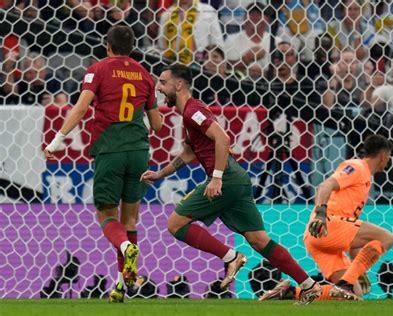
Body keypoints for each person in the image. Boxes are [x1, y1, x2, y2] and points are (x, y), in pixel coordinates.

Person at [140, 63, 322, 305]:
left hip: (225, 178)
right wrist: (160, 174)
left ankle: (230, 257)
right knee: (259, 240)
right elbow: (188, 152)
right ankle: (310, 286)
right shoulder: (190, 113)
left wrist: (216, 177)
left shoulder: (194, 110)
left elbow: (223, 138)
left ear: (179, 84)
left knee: (175, 224)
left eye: (163, 82)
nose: (159, 88)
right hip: (234, 177)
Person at [43, 25, 162, 303]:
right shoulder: (145, 74)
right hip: (139, 150)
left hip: (110, 150)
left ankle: (124, 247)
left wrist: (56, 141)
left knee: (107, 215)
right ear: (133, 47)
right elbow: (156, 124)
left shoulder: (98, 69)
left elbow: (82, 107)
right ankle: (122, 286)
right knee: (130, 219)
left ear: (107, 45)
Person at [261, 135, 393, 301]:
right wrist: (321, 214)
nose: (388, 162)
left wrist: (359, 269)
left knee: (354, 295)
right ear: (383, 156)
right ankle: (346, 283)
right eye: (388, 157)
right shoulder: (357, 167)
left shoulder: (365, 177)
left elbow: (353, 239)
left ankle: (290, 292)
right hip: (328, 225)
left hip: (321, 237)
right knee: (387, 238)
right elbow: (325, 185)